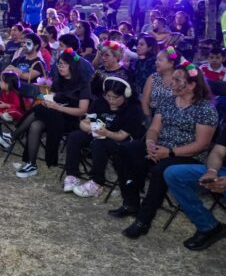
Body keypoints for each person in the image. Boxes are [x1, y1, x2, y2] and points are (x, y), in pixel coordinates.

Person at [116, 62, 219, 239]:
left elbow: (202, 144)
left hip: (187, 155)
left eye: (177, 80)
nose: (172, 83)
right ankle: (131, 202)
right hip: (160, 146)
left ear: (192, 85)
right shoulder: (168, 101)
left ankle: (143, 220)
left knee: (159, 170)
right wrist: (150, 142)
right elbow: (155, 128)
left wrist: (169, 152)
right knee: (124, 150)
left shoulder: (205, 110)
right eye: (173, 79)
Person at [64, 77, 145, 197]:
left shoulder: (133, 110)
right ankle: (72, 175)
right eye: (108, 96)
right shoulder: (100, 102)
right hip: (98, 134)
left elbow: (122, 136)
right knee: (74, 136)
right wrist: (91, 128)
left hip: (119, 142)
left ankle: (97, 183)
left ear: (126, 95)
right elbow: (84, 122)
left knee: (100, 144)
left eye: (115, 98)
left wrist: (106, 133)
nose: (111, 100)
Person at [16, 48, 91, 178]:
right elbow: (53, 97)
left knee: (40, 110)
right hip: (53, 115)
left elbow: (82, 111)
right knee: (35, 124)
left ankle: (15, 134)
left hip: (70, 120)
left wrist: (57, 108)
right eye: (59, 64)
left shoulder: (83, 84)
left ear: (72, 65)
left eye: (64, 64)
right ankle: (31, 164)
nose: (60, 67)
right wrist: (47, 101)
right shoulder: (59, 81)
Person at [164, 125, 226, 251]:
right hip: (222, 171)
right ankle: (209, 227)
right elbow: (218, 152)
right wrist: (212, 171)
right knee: (174, 174)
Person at [141, 46, 179, 122]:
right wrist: (149, 120)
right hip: (153, 115)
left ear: (171, 63)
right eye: (156, 59)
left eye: (160, 60)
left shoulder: (179, 79)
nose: (156, 62)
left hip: (174, 118)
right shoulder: (153, 77)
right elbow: (145, 101)